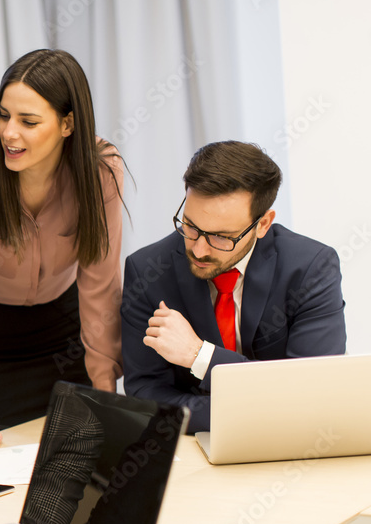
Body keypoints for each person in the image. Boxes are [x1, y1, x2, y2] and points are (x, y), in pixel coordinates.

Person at [0, 49, 125, 457]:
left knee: (84, 464)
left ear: (67, 123)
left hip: (68, 329)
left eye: (28, 121)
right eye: (4, 116)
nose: (9, 133)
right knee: (14, 470)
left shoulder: (101, 171)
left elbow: (101, 286)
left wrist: (106, 392)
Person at [121, 140, 346, 433]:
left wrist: (198, 355)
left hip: (293, 446)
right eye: (190, 226)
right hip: (194, 449)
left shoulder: (311, 269)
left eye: (221, 237)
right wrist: (267, 409)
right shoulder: (147, 271)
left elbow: (313, 394)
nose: (199, 250)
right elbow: (145, 397)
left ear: (263, 224)